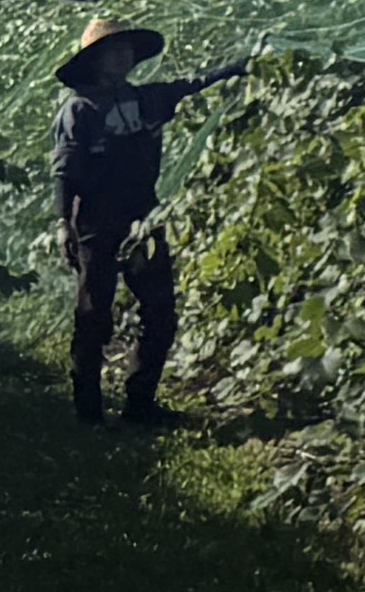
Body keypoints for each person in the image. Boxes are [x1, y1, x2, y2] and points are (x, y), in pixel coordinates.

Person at [50, 22, 238, 426]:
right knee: (94, 315)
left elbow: (195, 85)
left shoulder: (148, 99)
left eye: (127, 50)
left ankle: (140, 404)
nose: (123, 57)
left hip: (143, 219)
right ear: (94, 61)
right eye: (113, 51)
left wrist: (243, 66)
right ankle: (88, 412)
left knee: (160, 309)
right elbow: (65, 170)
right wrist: (63, 222)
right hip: (96, 221)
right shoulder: (80, 109)